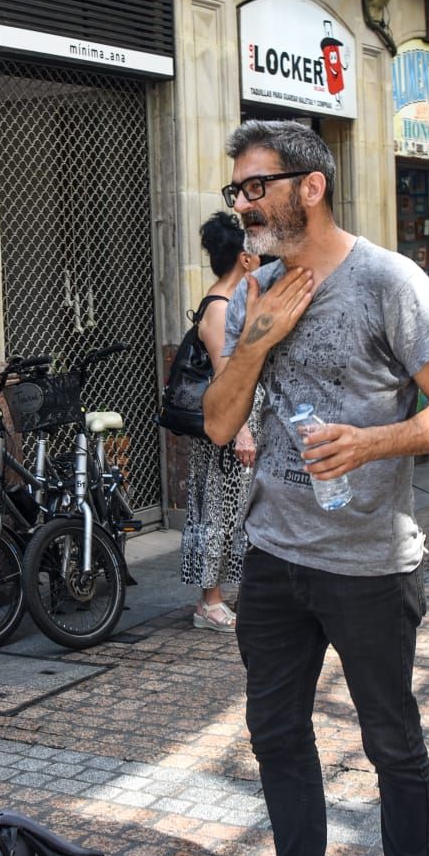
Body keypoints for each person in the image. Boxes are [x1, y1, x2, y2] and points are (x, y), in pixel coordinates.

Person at [204, 120, 429, 856]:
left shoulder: (391, 282)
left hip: (366, 564)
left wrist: (370, 443)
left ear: (311, 186)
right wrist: (254, 341)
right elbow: (222, 424)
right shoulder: (252, 291)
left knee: (391, 742)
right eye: (237, 191)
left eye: (257, 187)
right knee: (276, 735)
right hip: (273, 559)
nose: (244, 207)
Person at [181, 211, 266, 632]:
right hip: (227, 431)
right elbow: (223, 378)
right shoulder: (217, 308)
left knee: (234, 511)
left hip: (235, 427)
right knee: (217, 511)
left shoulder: (233, 302)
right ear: (242, 258)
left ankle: (215, 597)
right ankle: (210, 603)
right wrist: (243, 431)